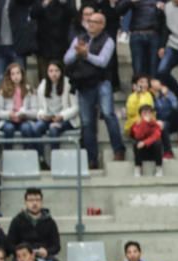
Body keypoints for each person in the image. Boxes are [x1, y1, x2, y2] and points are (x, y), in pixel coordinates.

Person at [64, 11, 125, 169]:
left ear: (102, 25)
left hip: (101, 82)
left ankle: (118, 149)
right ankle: (92, 158)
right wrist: (78, 54)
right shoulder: (79, 39)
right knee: (86, 122)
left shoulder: (108, 41)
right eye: (89, 21)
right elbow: (66, 59)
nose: (90, 24)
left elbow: (103, 61)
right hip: (84, 83)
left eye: (94, 22)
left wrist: (86, 55)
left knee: (108, 114)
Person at [34, 61, 79, 159]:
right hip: (49, 117)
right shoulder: (43, 85)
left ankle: (55, 160)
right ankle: (40, 159)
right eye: (51, 71)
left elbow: (76, 108)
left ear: (61, 72)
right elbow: (39, 108)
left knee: (53, 129)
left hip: (65, 118)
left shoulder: (68, 84)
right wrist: (42, 115)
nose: (53, 74)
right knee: (36, 128)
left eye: (56, 71)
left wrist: (62, 116)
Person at [6, 188, 61, 261]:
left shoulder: (50, 222)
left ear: (42, 202)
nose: (34, 203)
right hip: (23, 256)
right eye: (31, 200)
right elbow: (9, 244)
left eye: (38, 200)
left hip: (43, 256)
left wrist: (47, 251)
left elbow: (56, 246)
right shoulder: (17, 221)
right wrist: (22, 252)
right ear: (25, 202)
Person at [0, 62, 39, 153]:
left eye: (18, 73)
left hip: (25, 119)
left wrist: (25, 114)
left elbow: (35, 111)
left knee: (26, 128)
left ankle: (29, 154)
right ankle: (7, 154)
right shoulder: (3, 90)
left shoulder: (29, 90)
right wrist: (9, 114)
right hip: (8, 120)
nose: (16, 76)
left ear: (22, 74)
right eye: (13, 74)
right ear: (9, 76)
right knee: (8, 128)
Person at [130, 104, 164, 177]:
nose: (147, 115)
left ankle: (159, 168)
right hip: (141, 152)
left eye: (149, 113)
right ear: (140, 115)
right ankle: (138, 168)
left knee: (158, 142)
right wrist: (144, 123)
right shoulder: (136, 124)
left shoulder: (156, 124)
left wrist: (145, 142)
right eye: (144, 113)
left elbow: (156, 136)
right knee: (136, 143)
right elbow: (138, 135)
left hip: (153, 151)